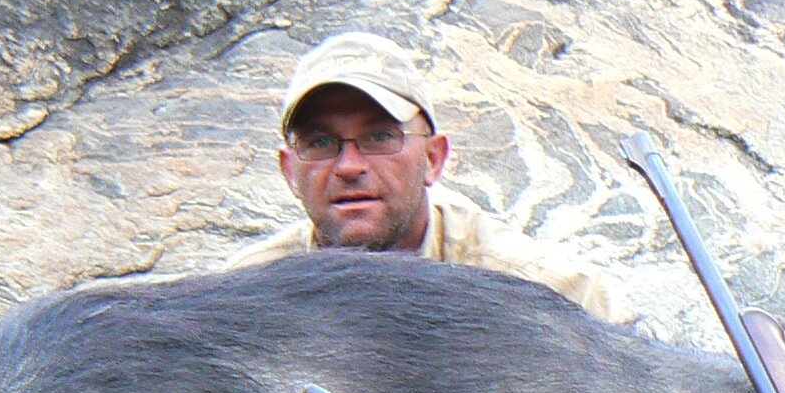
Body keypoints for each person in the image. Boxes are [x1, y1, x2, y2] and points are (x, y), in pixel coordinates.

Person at [225, 31, 636, 326]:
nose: (349, 166)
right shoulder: (243, 300)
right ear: (289, 171)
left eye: (380, 137)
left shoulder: (547, 293)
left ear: (433, 158)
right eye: (319, 142)